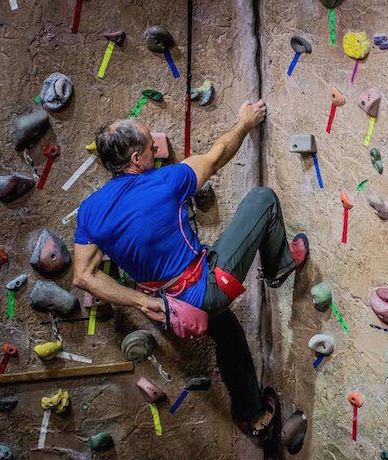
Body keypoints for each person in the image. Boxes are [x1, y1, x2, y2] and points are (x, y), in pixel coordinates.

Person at [72, 99, 308, 444]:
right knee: (263, 199)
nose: (156, 146)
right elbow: (216, 156)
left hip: (166, 309)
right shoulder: (166, 182)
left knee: (227, 331)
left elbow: (83, 276)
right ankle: (279, 268)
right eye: (149, 145)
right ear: (135, 160)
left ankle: (253, 414)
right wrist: (244, 122)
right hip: (205, 289)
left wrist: (140, 301)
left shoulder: (89, 211)